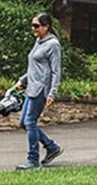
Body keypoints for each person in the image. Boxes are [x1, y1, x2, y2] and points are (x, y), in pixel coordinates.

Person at [14, 12, 64, 170]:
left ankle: (33, 159)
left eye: (36, 26)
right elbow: (35, 67)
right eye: (32, 25)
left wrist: (52, 93)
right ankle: (51, 147)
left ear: (46, 27)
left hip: (41, 90)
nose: (33, 28)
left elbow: (56, 71)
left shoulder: (53, 45)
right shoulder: (39, 41)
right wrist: (23, 80)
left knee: (30, 122)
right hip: (31, 88)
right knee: (24, 123)